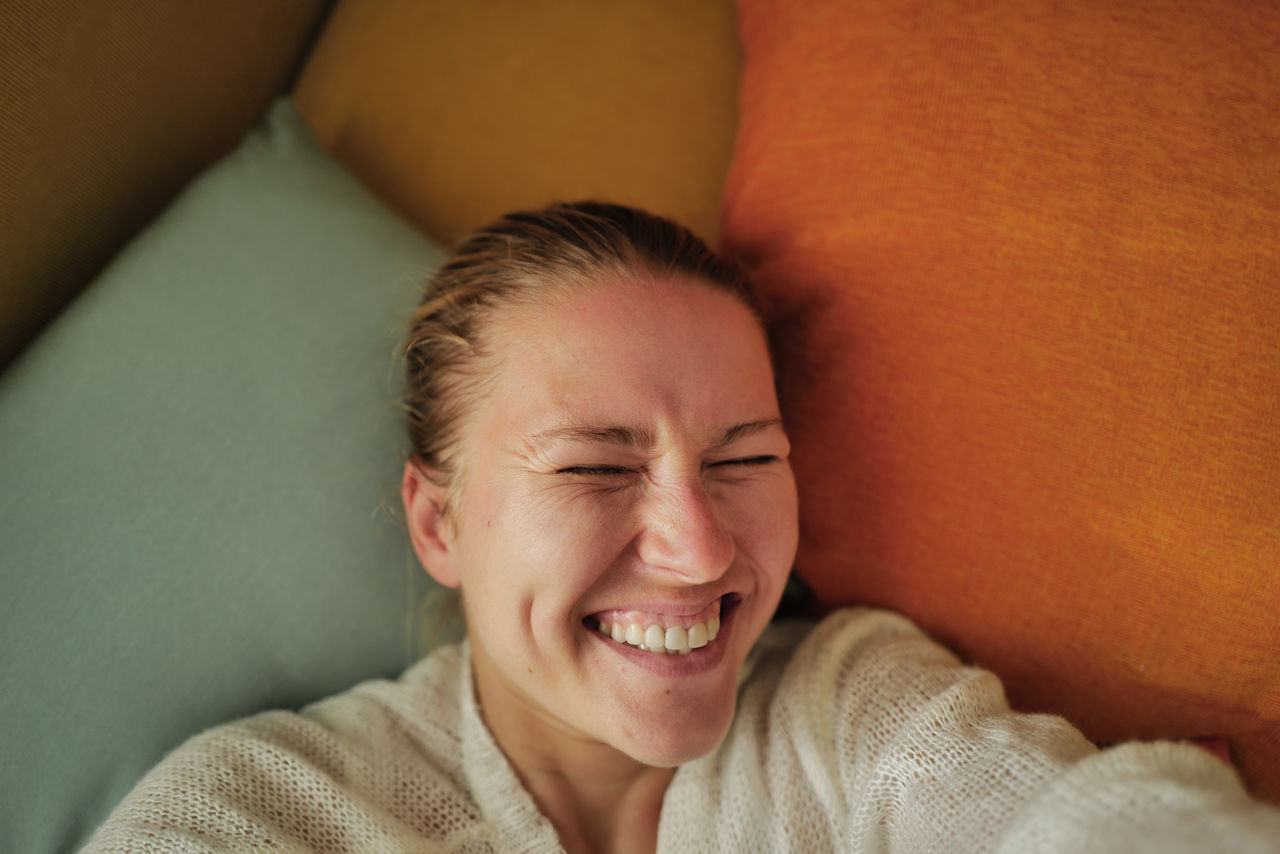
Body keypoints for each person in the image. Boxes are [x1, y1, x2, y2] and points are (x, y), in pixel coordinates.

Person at [83, 202, 1280, 853]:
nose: (701, 550)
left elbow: (1060, 817)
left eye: (744, 458)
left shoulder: (846, 710)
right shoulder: (255, 813)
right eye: (598, 464)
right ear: (439, 522)